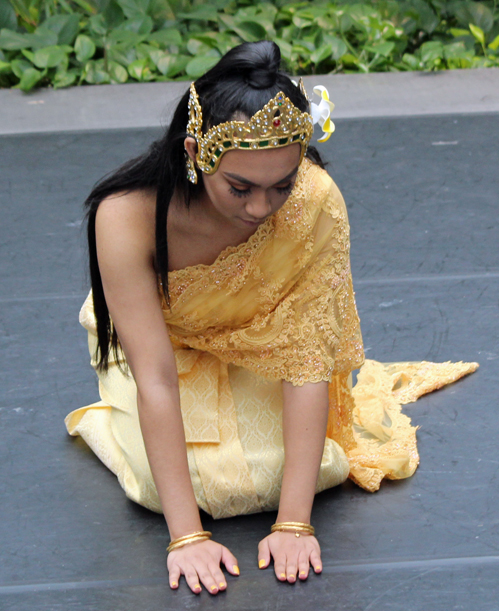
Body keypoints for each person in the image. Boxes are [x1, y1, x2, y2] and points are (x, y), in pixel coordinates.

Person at [65, 40, 477, 595]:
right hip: (161, 354)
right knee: (176, 490)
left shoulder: (315, 200)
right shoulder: (125, 217)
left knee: (291, 473)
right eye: (239, 188)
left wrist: (294, 524)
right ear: (195, 152)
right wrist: (186, 537)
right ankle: (108, 416)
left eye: (281, 185)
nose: (261, 208)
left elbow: (306, 358)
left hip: (266, 346)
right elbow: (156, 376)